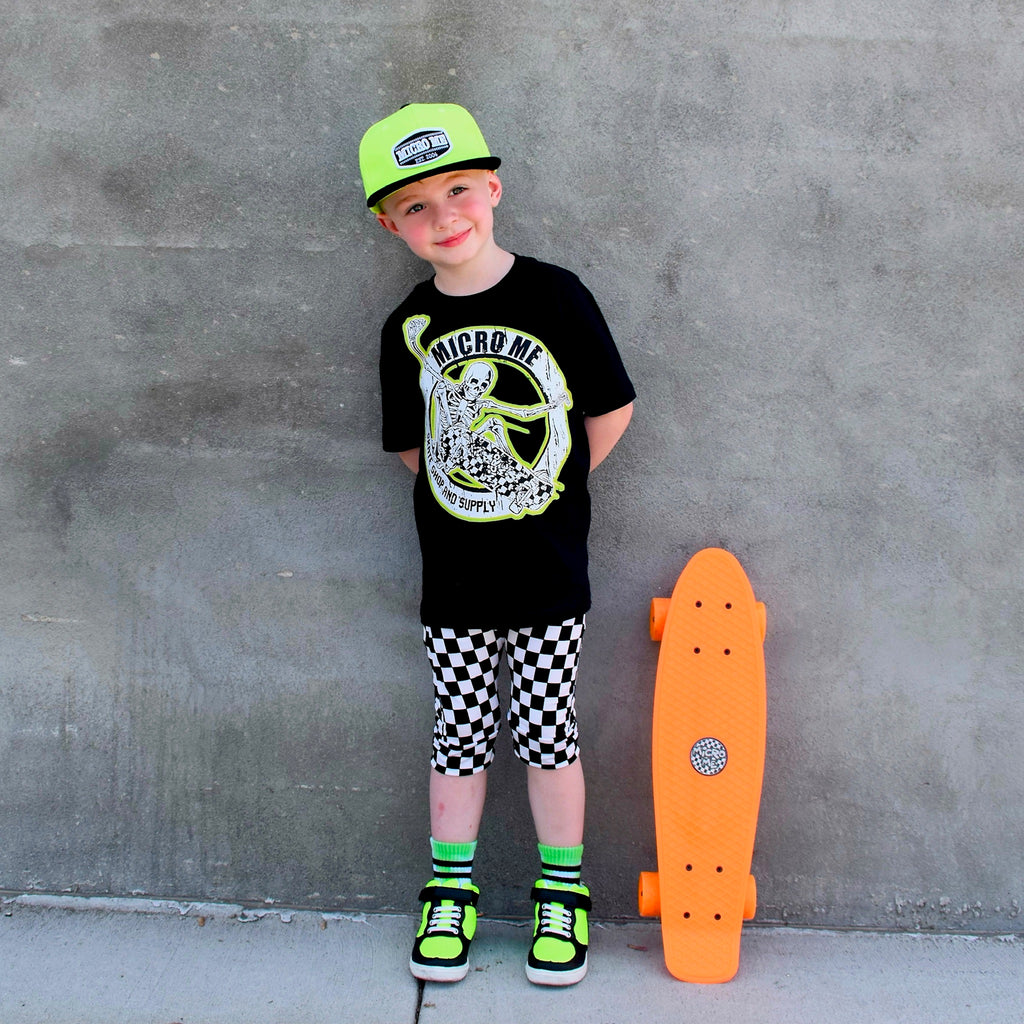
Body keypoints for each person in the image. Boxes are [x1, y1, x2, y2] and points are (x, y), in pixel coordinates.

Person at [359, 103, 635, 987]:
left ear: (494, 188)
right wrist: (480, 490)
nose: (445, 216)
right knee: (460, 731)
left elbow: (608, 409)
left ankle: (563, 890)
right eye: (415, 206)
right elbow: (416, 450)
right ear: (391, 226)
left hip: (549, 572)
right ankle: (451, 888)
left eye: (459, 190)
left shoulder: (556, 295)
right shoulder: (407, 329)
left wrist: (543, 485)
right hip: (457, 577)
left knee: (549, 729)